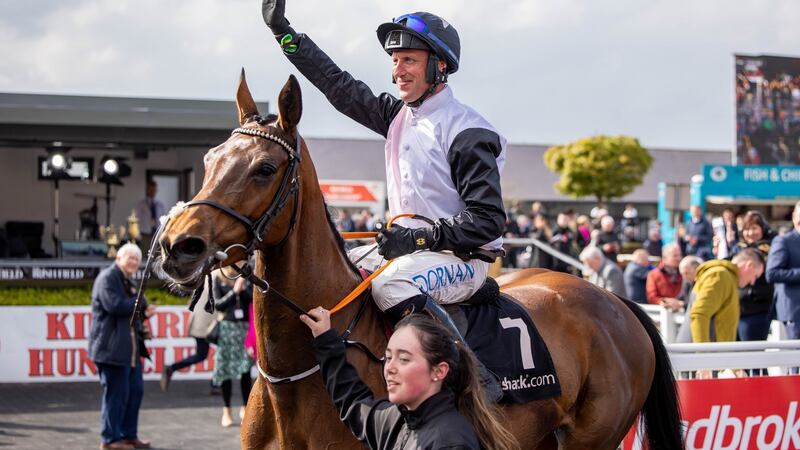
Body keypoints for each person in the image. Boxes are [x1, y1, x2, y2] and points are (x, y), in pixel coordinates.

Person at [262, 2, 506, 398]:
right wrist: (285, 35)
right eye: (395, 60)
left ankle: (471, 377)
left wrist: (415, 240)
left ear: (439, 66)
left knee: (390, 285)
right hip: (412, 253)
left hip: (463, 260)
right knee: (332, 273)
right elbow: (339, 87)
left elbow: (489, 221)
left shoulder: (468, 130)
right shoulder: (397, 116)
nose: (397, 70)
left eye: (409, 59)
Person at [299, 307, 519, 450]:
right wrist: (326, 341)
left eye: (404, 359)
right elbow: (353, 403)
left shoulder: (452, 442)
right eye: (387, 357)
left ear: (439, 371)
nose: (389, 368)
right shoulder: (395, 419)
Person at [88, 243, 154, 450]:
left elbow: (132, 310)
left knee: (134, 392)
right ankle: (109, 440)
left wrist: (143, 310)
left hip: (130, 351)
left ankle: (128, 435)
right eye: (130, 258)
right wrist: (140, 301)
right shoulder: (107, 278)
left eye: (137, 258)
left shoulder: (127, 281)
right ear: (118, 258)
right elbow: (115, 306)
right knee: (115, 396)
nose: (134, 262)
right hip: (111, 350)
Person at [690, 248, 765, 345]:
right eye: (755, 276)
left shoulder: (726, 277)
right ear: (749, 266)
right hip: (706, 354)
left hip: (713, 352)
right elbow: (699, 314)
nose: (753, 282)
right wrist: (703, 354)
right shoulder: (721, 275)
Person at [211, 272, 254, 427]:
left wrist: (243, 288)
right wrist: (234, 291)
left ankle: (245, 407)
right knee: (225, 370)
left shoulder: (246, 277)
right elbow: (218, 305)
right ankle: (227, 409)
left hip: (244, 328)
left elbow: (253, 301)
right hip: (227, 329)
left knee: (245, 370)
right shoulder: (218, 277)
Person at [730, 211, 776, 341]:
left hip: (757, 308)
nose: (750, 233)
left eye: (754, 228)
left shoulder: (771, 247)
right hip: (736, 307)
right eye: (746, 229)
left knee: (751, 352)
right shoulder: (737, 248)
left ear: (763, 229)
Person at [160, 289, 216, 392]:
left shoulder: (205, 278)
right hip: (208, 324)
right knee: (209, 354)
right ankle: (216, 384)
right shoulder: (216, 277)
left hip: (202, 323)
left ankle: (171, 368)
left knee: (202, 355)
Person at [766, 201, 800, 342]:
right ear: (794, 217)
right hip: (795, 313)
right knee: (796, 359)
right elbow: (772, 273)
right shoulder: (783, 241)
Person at [645, 243, 683, 310]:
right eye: (675, 256)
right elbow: (651, 297)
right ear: (665, 258)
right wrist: (665, 301)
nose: (679, 258)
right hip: (661, 315)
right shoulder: (653, 274)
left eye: (680, 255)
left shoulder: (684, 273)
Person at [134, 180, 166, 251]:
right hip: (145, 235)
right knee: (145, 255)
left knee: (156, 255)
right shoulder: (141, 204)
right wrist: (137, 234)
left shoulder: (159, 205)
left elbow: (163, 220)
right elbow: (136, 219)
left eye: (154, 190)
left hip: (157, 235)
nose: (152, 192)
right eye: (150, 190)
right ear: (147, 190)